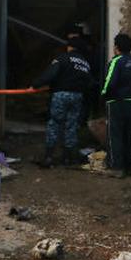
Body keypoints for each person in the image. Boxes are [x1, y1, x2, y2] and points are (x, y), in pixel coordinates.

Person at [31, 37, 94, 167]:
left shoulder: (62, 58)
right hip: (77, 97)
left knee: (54, 124)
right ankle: (68, 158)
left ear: (69, 47)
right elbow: (90, 83)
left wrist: (35, 85)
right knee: (71, 126)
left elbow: (50, 74)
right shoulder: (85, 63)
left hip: (61, 95)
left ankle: (48, 158)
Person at [101, 33, 131, 178]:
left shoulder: (116, 61)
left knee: (115, 135)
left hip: (115, 103)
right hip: (129, 102)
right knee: (130, 134)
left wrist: (103, 94)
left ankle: (117, 168)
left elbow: (110, 82)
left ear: (116, 47)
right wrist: (130, 91)